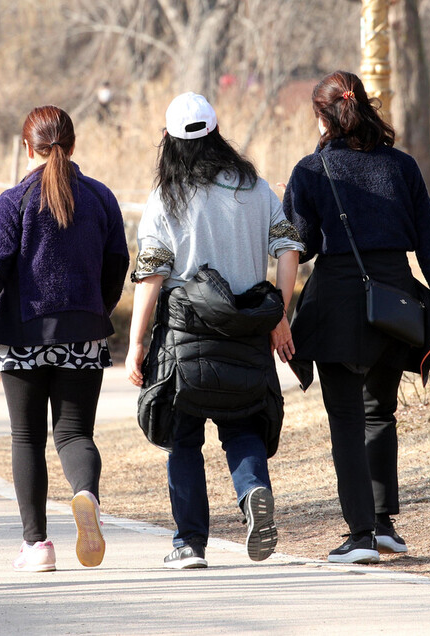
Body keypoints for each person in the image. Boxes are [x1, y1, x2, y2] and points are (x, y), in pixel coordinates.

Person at [282, 71, 430, 565]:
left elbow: (299, 249)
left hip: (338, 299)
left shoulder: (311, 170)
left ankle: (361, 534)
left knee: (345, 418)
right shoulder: (402, 165)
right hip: (396, 297)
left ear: (321, 116)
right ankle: (384, 523)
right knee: (378, 411)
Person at [126, 92, 303, 569]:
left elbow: (151, 276)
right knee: (242, 425)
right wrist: (278, 314)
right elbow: (289, 250)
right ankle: (253, 494)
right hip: (247, 333)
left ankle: (189, 545)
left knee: (183, 438)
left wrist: (136, 343)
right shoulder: (255, 187)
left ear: (167, 140)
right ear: (216, 132)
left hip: (185, 338)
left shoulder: (166, 197)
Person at [0, 105, 128, 573]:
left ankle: (38, 546)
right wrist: (96, 311)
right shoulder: (100, 197)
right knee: (73, 434)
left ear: (28, 148)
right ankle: (85, 494)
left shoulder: (14, 201)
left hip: (23, 335)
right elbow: (118, 264)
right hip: (83, 333)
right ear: (73, 145)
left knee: (26, 439)